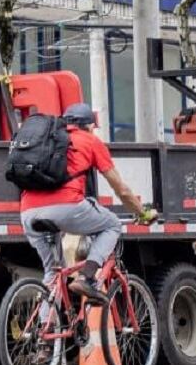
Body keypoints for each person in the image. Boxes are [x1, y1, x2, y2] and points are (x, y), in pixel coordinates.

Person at [19, 102, 154, 301]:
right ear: (89, 125)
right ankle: (87, 277)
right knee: (112, 225)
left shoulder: (47, 140)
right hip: (67, 207)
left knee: (52, 273)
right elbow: (121, 190)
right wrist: (142, 212)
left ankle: (42, 329)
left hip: (28, 212)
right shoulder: (90, 141)